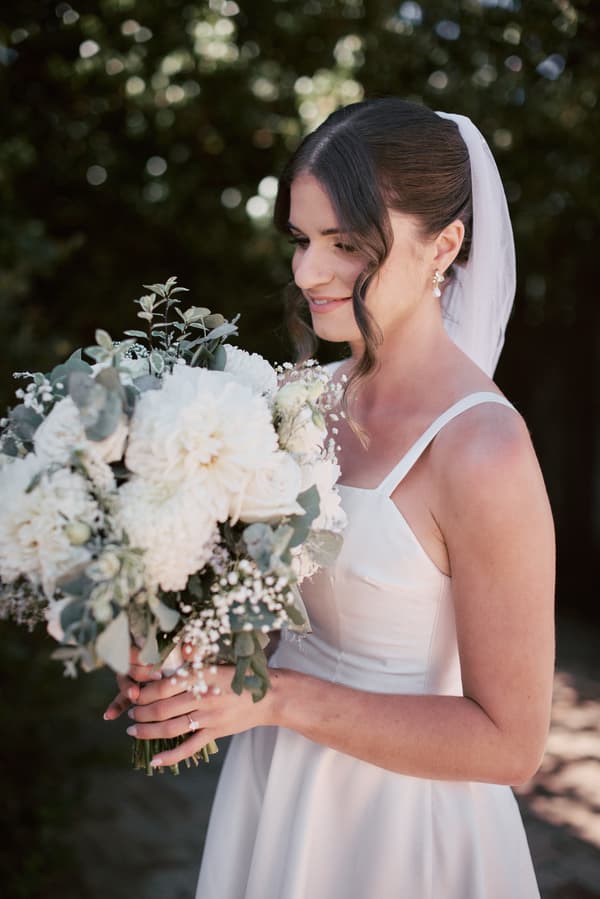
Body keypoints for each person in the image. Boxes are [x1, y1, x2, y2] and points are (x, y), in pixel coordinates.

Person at [105, 98, 555, 898]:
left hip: (402, 828)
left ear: (444, 245)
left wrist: (276, 697)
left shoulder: (484, 450)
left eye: (346, 244)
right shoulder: (293, 398)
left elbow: (509, 743)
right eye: (303, 239)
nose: (308, 272)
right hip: (274, 792)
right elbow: (273, 620)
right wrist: (188, 658)